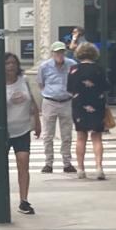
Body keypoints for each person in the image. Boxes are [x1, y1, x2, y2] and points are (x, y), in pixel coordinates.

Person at [4, 52, 41, 215]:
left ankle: (24, 200)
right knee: (0, 167)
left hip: (23, 129)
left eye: (13, 63)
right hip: (4, 132)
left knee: (23, 162)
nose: (11, 66)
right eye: (7, 63)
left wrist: (37, 123)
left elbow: (32, 102)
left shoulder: (24, 80)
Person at [68, 42, 109, 180]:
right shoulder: (99, 69)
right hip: (97, 103)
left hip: (79, 104)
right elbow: (105, 86)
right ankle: (99, 167)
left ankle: (80, 168)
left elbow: (69, 88)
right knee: (97, 137)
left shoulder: (74, 69)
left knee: (81, 137)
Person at [36, 41, 78, 174]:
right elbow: (40, 83)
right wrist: (47, 93)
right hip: (50, 101)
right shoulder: (45, 66)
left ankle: (67, 162)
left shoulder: (71, 64)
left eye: (62, 52)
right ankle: (48, 162)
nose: (60, 55)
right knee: (48, 134)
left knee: (67, 134)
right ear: (52, 53)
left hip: (67, 101)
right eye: (57, 52)